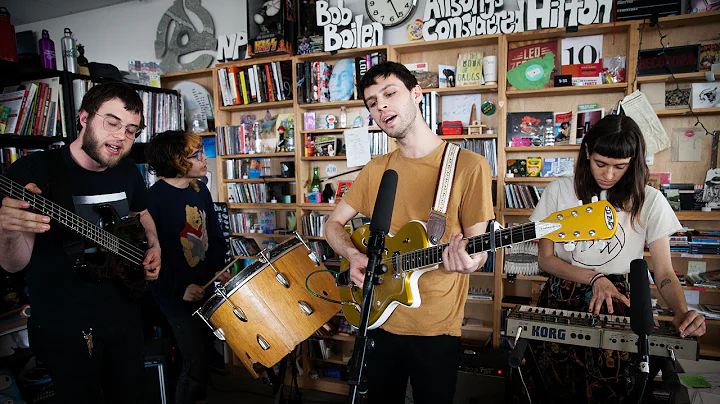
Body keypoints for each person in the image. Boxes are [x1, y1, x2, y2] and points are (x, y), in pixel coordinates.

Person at [323, 62, 494, 403]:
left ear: (416, 94)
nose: (381, 106)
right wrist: (354, 255)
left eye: (390, 94)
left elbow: (479, 250)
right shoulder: (376, 170)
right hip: (377, 320)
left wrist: (468, 261)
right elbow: (332, 225)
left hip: (436, 329)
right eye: (372, 102)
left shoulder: (468, 166)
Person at [0, 82, 161, 403]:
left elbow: (142, 213)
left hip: (126, 310)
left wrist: (154, 245)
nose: (121, 137)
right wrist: (6, 229)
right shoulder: (34, 172)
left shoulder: (128, 171)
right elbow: (12, 263)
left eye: (131, 130)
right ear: (84, 118)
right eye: (112, 123)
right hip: (65, 324)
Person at [528, 114, 706, 404]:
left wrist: (682, 312)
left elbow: (663, 272)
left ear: (633, 162)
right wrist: (594, 278)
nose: (608, 175)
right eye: (600, 163)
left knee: (616, 390)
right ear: (586, 152)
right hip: (564, 297)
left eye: (620, 167)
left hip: (619, 303)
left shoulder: (649, 200)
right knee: (557, 387)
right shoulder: (559, 190)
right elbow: (546, 260)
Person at [145, 131, 229, 404]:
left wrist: (218, 270)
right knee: (193, 364)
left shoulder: (200, 189)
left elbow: (214, 237)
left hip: (205, 290)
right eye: (196, 155)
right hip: (174, 297)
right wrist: (179, 289)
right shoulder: (152, 200)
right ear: (176, 161)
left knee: (206, 356)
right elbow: (146, 258)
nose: (204, 158)